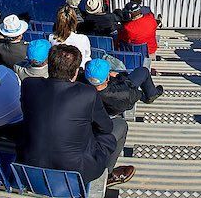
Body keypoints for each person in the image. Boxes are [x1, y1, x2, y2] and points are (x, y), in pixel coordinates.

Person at [18, 44, 135, 189]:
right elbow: (106, 127)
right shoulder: (87, 93)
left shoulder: (29, 85)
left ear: (49, 65)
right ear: (75, 72)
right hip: (76, 171)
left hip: (30, 165)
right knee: (120, 125)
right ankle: (107, 174)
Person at [85, 56, 164, 117]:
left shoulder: (80, 88)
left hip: (101, 108)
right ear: (107, 77)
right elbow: (135, 92)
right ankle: (152, 94)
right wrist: (119, 76)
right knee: (143, 71)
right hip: (117, 107)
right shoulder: (123, 93)